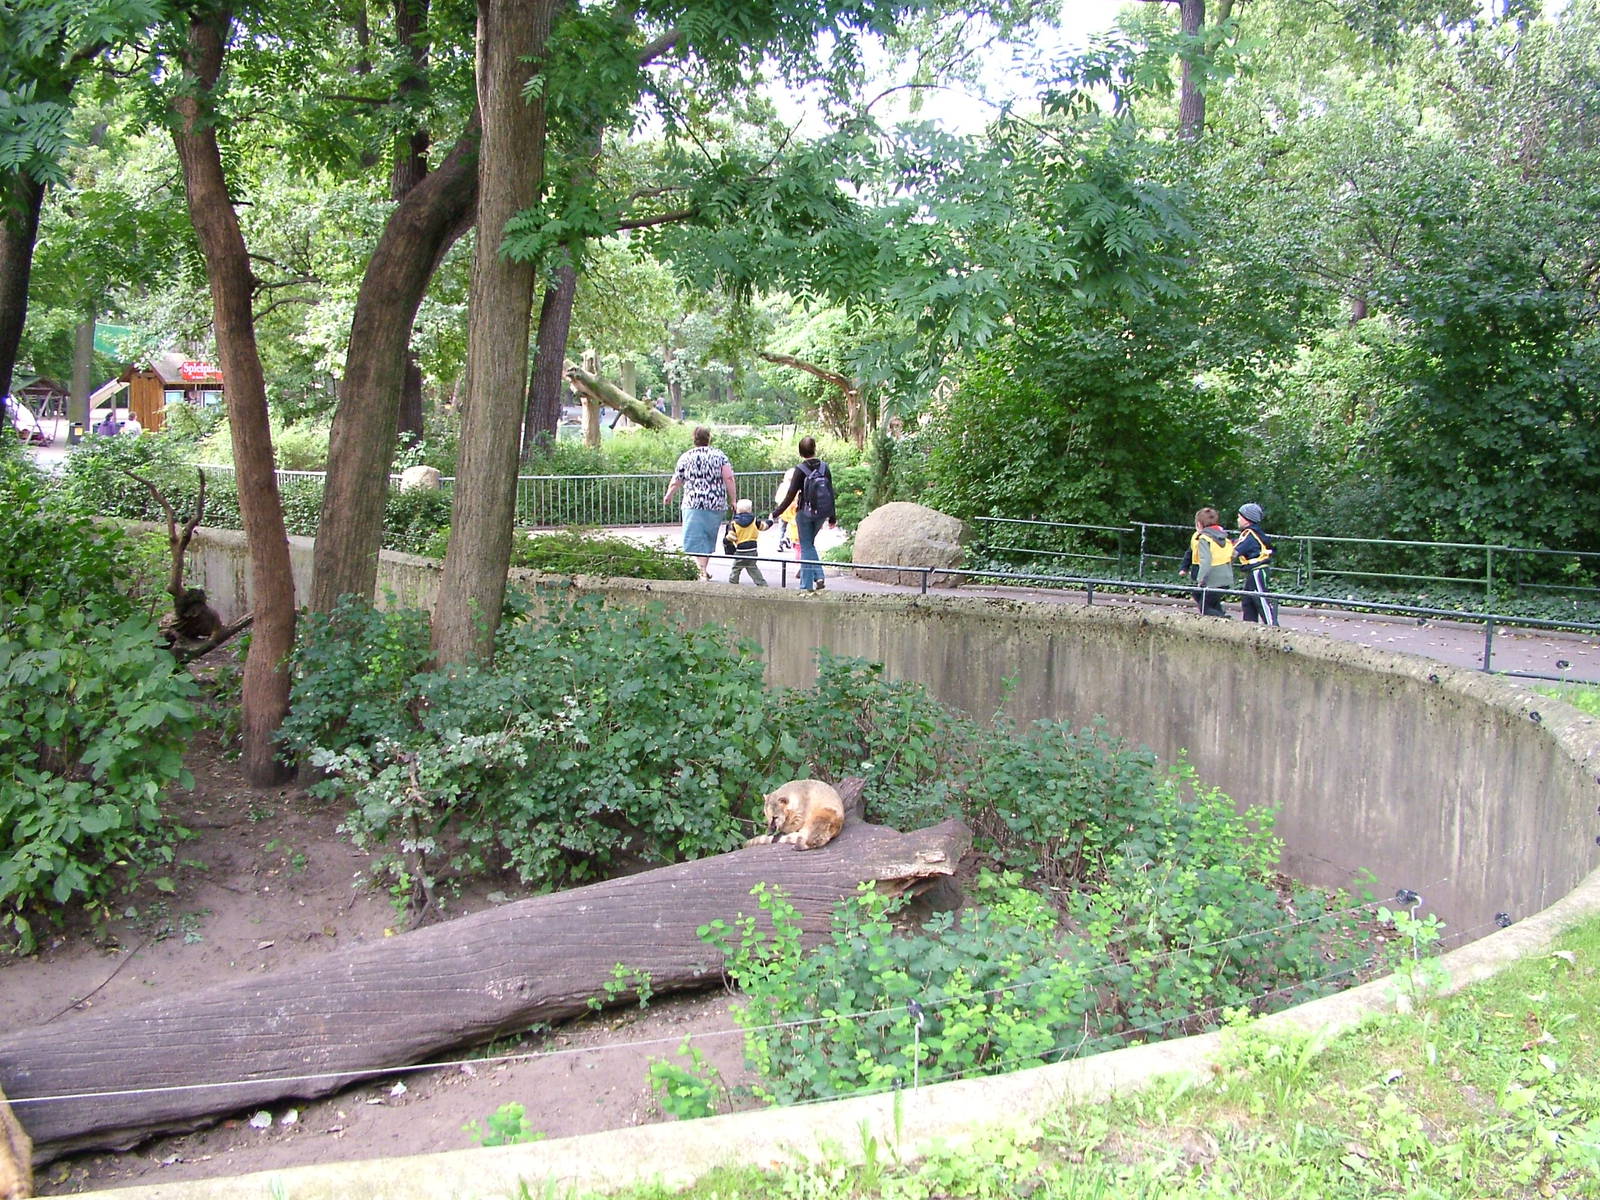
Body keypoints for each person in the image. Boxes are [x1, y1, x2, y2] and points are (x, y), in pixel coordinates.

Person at [663, 426, 736, 580]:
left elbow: (677, 480)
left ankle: (701, 569)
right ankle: (702, 569)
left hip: (692, 502)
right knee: (708, 536)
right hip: (715, 502)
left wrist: (669, 494)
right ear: (709, 438)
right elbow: (729, 478)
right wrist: (733, 499)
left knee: (695, 537)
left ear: (693, 438)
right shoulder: (719, 456)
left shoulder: (686, 457)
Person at [769, 435, 836, 593]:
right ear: (815, 449)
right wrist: (832, 516)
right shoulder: (824, 467)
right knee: (809, 545)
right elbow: (830, 492)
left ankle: (808, 584)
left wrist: (776, 513)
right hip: (821, 513)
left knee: (806, 546)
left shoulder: (800, 470)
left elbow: (790, 496)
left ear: (800, 452)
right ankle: (817, 577)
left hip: (804, 513)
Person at [1179, 507, 1233, 617]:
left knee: (1205, 607)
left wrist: (1201, 579)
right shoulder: (1223, 538)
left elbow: (1206, 561)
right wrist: (1184, 567)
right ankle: (1221, 616)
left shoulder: (1205, 538)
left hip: (1211, 577)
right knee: (1205, 599)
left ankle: (1223, 620)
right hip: (1223, 576)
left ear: (1199, 524)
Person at [1233, 502, 1279, 626]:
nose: (1237, 519)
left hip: (1258, 571)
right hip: (1252, 572)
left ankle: (1274, 630)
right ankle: (1250, 628)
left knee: (1262, 600)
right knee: (1248, 602)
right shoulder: (1253, 533)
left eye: (1239, 517)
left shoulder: (1250, 534)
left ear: (1247, 519)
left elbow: (1234, 551)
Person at [722, 499, 773, 586]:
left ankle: (732, 584)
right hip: (753, 549)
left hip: (741, 549)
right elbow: (764, 527)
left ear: (737, 510)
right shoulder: (754, 520)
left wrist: (726, 540)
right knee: (752, 567)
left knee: (736, 568)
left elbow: (731, 537)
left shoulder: (734, 523)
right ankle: (762, 584)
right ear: (750, 510)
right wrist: (770, 521)